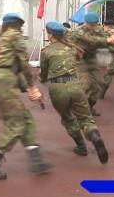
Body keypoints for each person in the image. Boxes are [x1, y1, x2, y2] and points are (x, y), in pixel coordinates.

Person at [0, 13, 52, 180]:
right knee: (16, 123)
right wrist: (33, 87)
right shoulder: (14, 35)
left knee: (26, 119)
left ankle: (36, 160)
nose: (21, 29)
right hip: (4, 82)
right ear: (15, 26)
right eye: (20, 26)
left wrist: (26, 88)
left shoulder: (3, 39)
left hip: (1, 81)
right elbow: (24, 64)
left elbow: (12, 68)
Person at [39, 21, 109, 164]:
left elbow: (44, 73)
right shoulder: (72, 49)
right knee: (85, 117)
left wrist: (42, 79)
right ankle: (94, 136)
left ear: (50, 35)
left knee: (67, 117)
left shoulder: (46, 51)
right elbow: (77, 59)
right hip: (75, 85)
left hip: (58, 88)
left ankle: (81, 146)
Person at [68, 12, 114, 116]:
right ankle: (77, 109)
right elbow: (91, 40)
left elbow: (104, 34)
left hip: (92, 60)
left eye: (95, 24)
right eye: (91, 25)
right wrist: (107, 40)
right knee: (85, 85)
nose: (94, 27)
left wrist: (112, 36)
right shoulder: (79, 31)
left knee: (99, 85)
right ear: (86, 23)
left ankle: (89, 106)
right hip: (80, 61)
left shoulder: (97, 28)